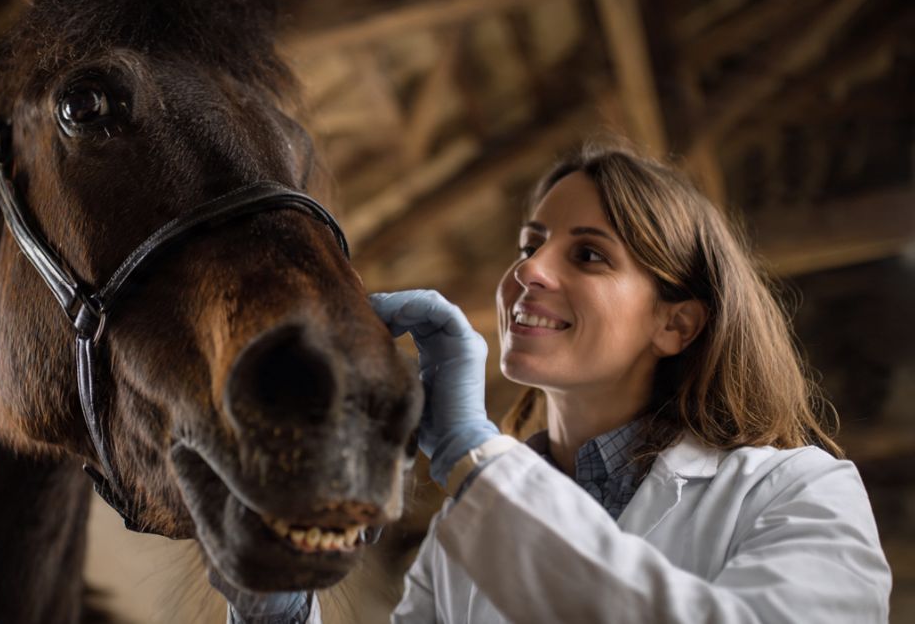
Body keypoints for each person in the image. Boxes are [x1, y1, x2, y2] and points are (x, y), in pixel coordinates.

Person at [216, 142, 892, 623]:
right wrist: (275, 606)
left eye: (589, 254)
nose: (529, 271)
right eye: (529, 244)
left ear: (675, 325)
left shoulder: (801, 493)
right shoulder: (458, 537)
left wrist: (474, 456)